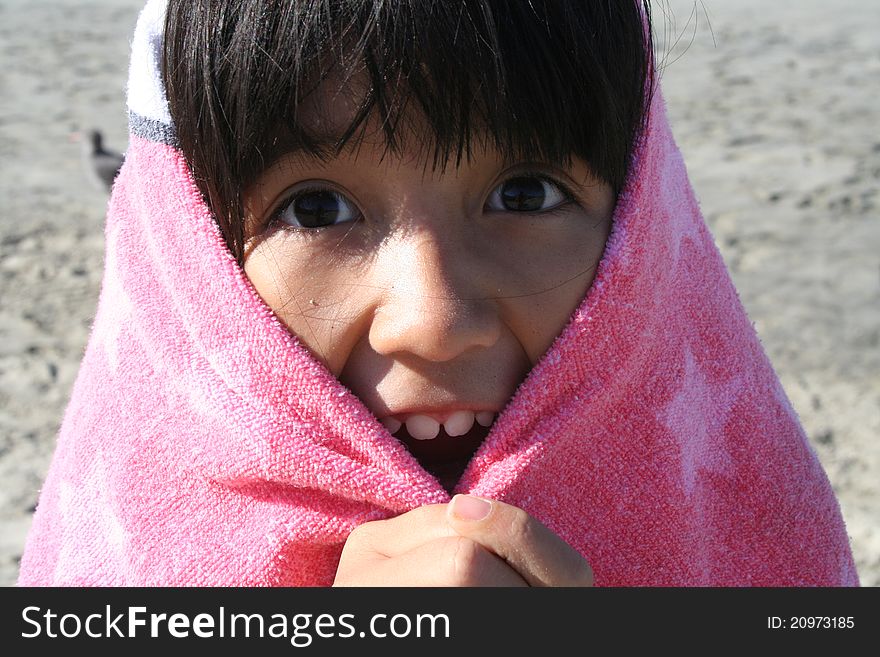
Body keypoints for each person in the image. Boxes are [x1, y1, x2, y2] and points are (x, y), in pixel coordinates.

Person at [18, 0, 857, 587]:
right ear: (190, 271)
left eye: (524, 194)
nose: (434, 321)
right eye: (316, 209)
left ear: (645, 232)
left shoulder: (765, 548)